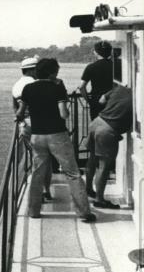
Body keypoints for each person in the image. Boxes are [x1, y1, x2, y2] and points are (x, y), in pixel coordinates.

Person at [17, 58, 96, 222]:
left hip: (37, 136)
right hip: (57, 135)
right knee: (72, 173)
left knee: (37, 173)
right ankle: (83, 213)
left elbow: (20, 113)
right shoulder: (57, 88)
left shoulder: (28, 88)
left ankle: (33, 211)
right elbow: (63, 114)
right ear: (53, 72)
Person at [85, 80, 133, 208]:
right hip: (108, 130)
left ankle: (88, 188)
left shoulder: (120, 89)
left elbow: (101, 100)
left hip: (97, 122)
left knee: (92, 159)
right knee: (104, 166)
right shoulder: (139, 95)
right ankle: (99, 200)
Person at [12, 56, 52, 201]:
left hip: (24, 124)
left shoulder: (16, 85)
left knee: (33, 158)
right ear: (32, 70)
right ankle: (44, 191)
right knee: (43, 159)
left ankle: (35, 191)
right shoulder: (35, 84)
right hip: (38, 124)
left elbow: (15, 108)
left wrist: (21, 122)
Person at [78, 40, 115, 120]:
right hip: (113, 101)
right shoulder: (115, 66)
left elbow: (81, 87)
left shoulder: (91, 67)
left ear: (96, 53)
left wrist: (89, 101)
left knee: (97, 127)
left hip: (96, 102)